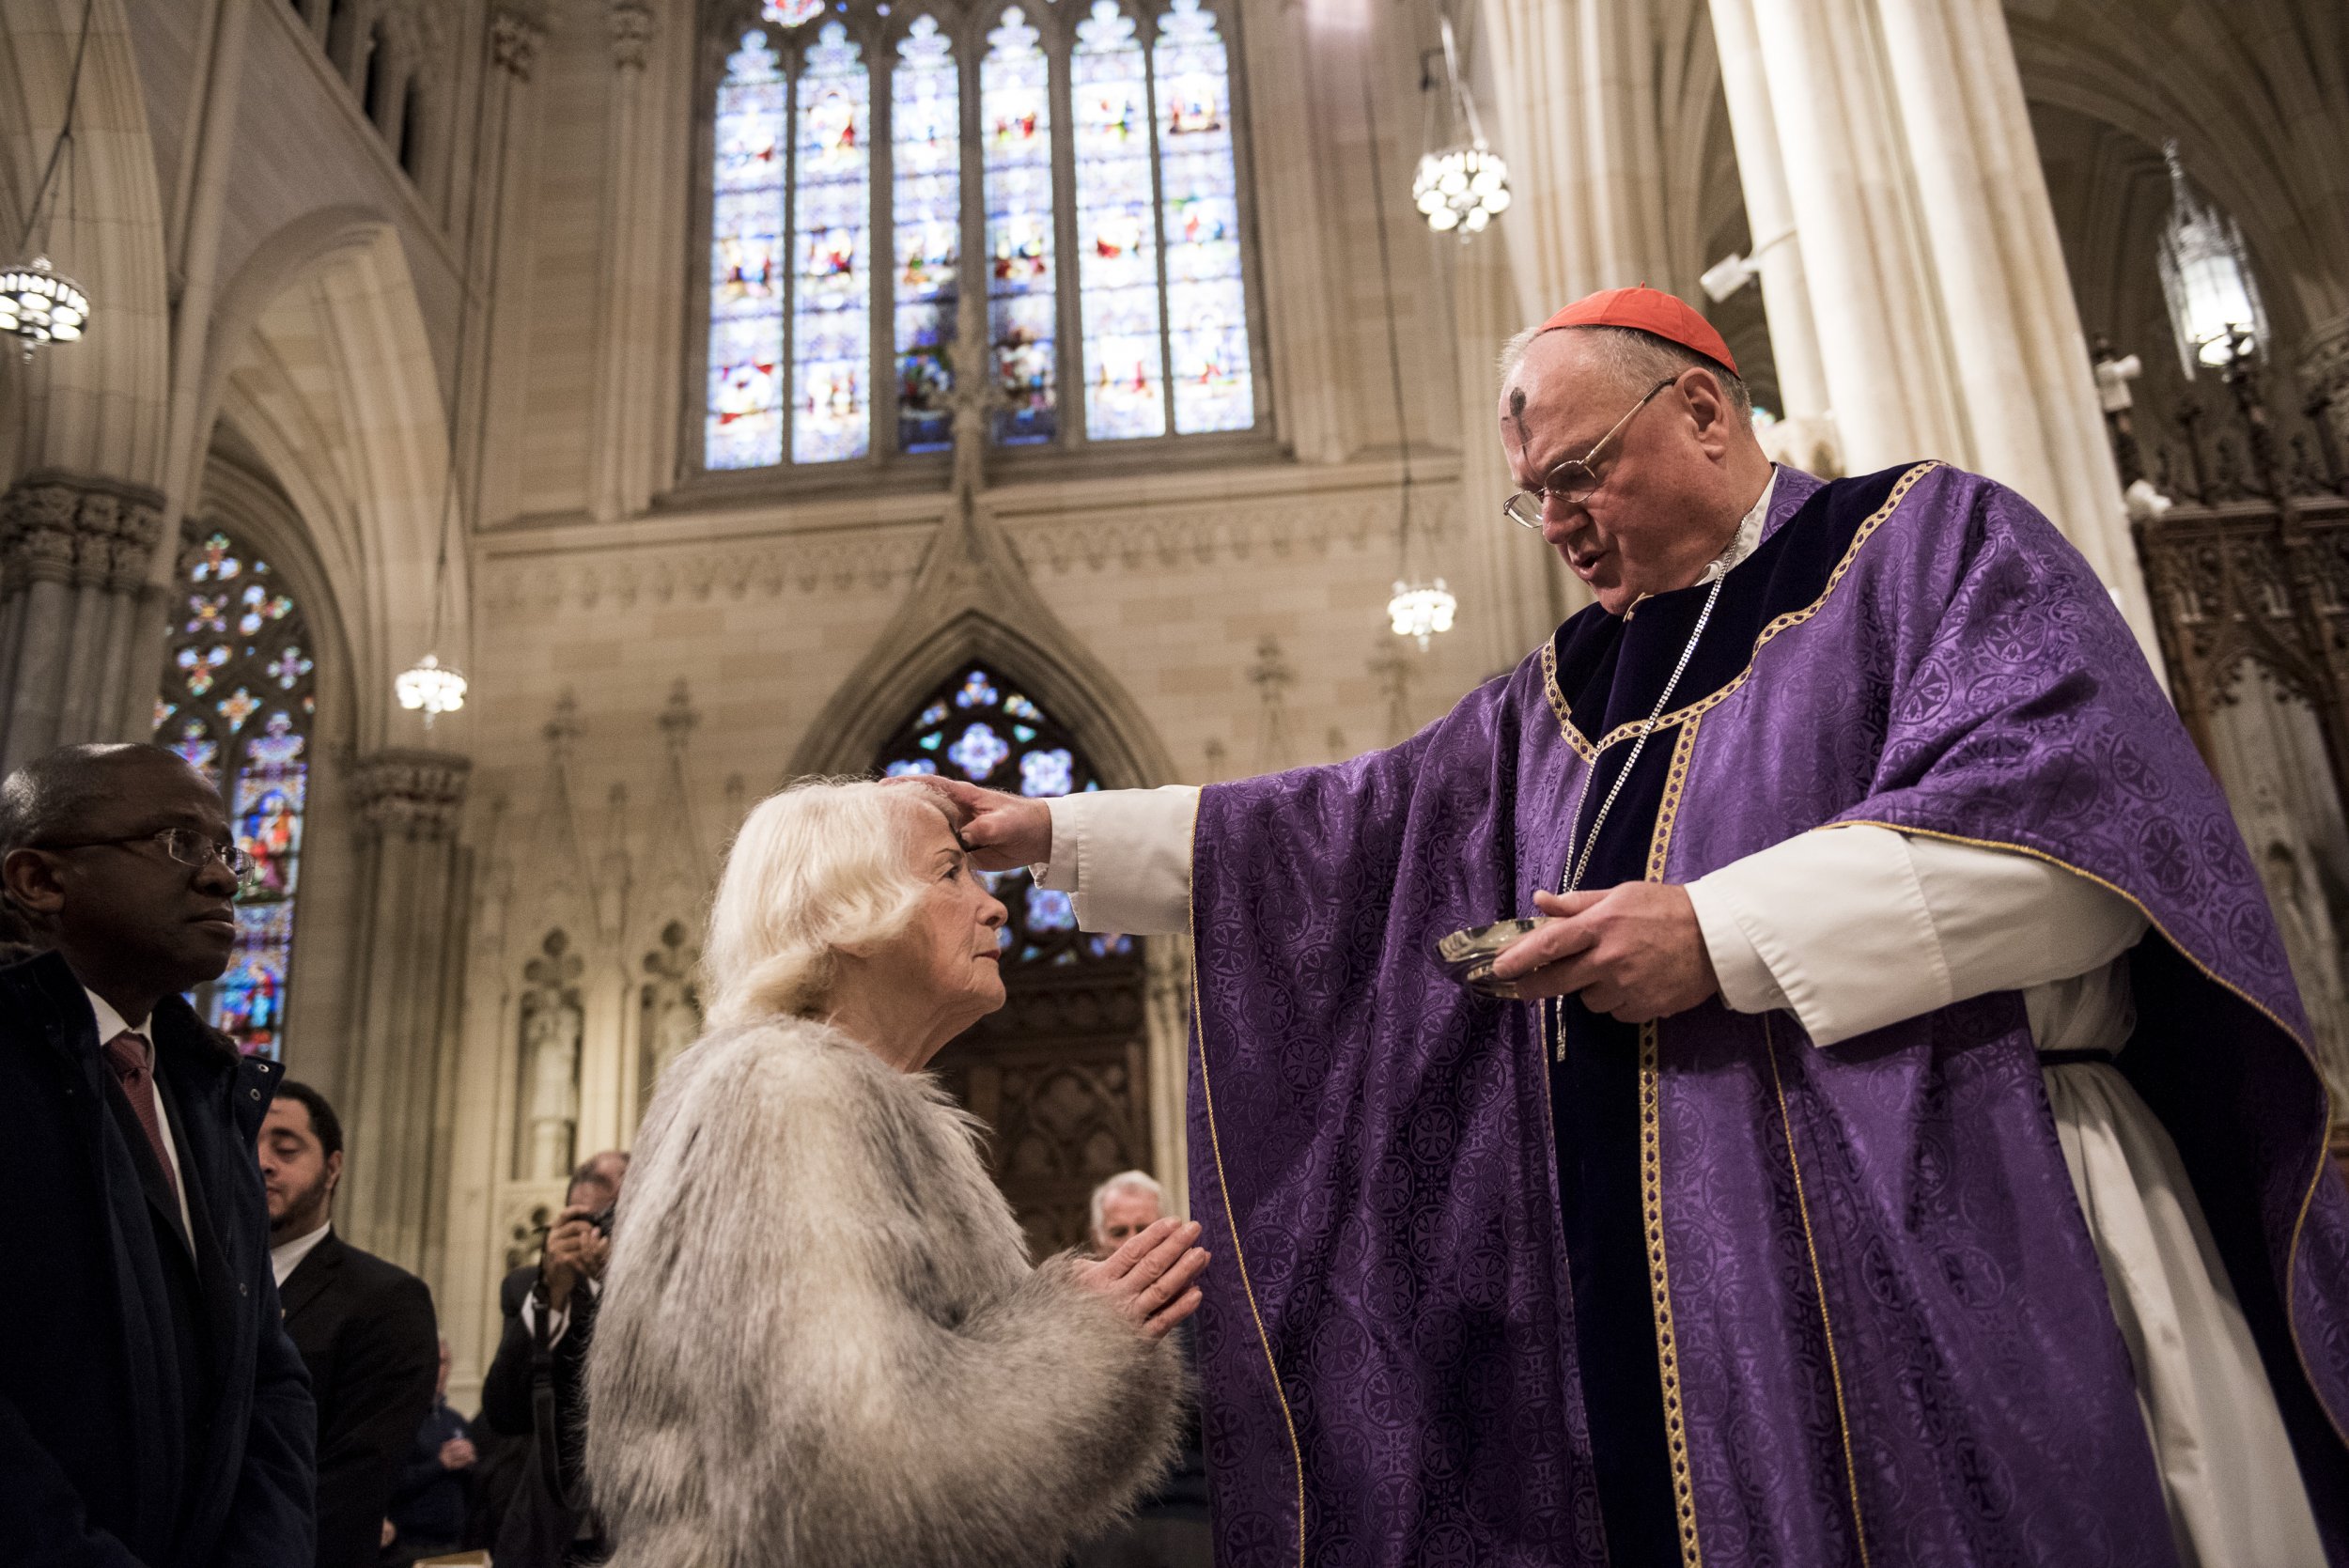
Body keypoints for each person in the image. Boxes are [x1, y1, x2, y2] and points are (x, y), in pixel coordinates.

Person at [921, 287, 2349, 1565]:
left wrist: (1714, 934)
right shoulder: (1557, 695)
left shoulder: (1926, 548)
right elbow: (1339, 836)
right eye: (1531, 498)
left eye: (1580, 474)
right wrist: (1055, 835)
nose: (1555, 525)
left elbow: (2075, 849)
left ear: (1707, 411)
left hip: (1977, 1200)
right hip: (1690, 1308)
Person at [583, 780, 1209, 1568]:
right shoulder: (782, 1091)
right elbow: (853, 1470)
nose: (995, 907)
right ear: (843, 912)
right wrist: (1082, 1338)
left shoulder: (847, 1098)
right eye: (951, 872)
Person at [0, 742, 315, 1566]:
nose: (222, 877)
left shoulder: (209, 1091)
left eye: (225, 850)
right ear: (38, 879)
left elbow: (267, 1378)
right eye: (178, 842)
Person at [261, 1079, 439, 1568]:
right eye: (246, 1142)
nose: (261, 1162)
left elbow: (349, 1492)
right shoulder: (197, 1279)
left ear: (332, 1167)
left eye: (285, 1148)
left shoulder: (385, 1300)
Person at [478, 1149, 629, 1567]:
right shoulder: (528, 1287)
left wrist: (620, 1288)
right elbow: (503, 1411)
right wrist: (553, 1296)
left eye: (609, 1221)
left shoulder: (670, 1296)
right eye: (582, 1223)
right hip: (556, 1533)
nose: (593, 1237)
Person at [1071, 1172, 1212, 1568]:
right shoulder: (1067, 1318)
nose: (1133, 1241)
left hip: (1194, 1516)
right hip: (1106, 1523)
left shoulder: (1207, 1311)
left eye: (1145, 1228)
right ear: (1097, 1240)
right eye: (1119, 1231)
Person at [383, 1340, 475, 1565]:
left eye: (443, 1362)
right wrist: (440, 1463)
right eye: (433, 1361)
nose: (438, 1368)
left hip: (452, 1545)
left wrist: (471, 1463)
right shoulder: (401, 1419)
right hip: (408, 1546)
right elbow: (388, 1480)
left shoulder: (455, 1420)